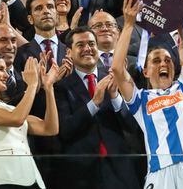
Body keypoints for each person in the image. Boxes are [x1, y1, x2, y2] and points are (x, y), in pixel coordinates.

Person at [111, 0, 183, 188]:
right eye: (156, 61)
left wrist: (182, 13)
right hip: (160, 173)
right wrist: (129, 24)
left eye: (167, 60)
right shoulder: (140, 99)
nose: (163, 63)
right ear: (146, 71)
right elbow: (117, 68)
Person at [55, 26, 141, 189]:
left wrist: (115, 97)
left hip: (120, 172)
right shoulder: (60, 87)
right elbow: (65, 130)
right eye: (80, 45)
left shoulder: (114, 78)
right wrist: (94, 103)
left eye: (91, 44)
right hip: (82, 174)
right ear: (69, 52)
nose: (87, 48)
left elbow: (132, 126)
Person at [0, 50, 59, 189]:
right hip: (3, 178)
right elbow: (17, 119)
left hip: (32, 178)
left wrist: (48, 88)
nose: (6, 75)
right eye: (1, 69)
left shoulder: (8, 108)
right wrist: (32, 85)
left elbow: (50, 128)